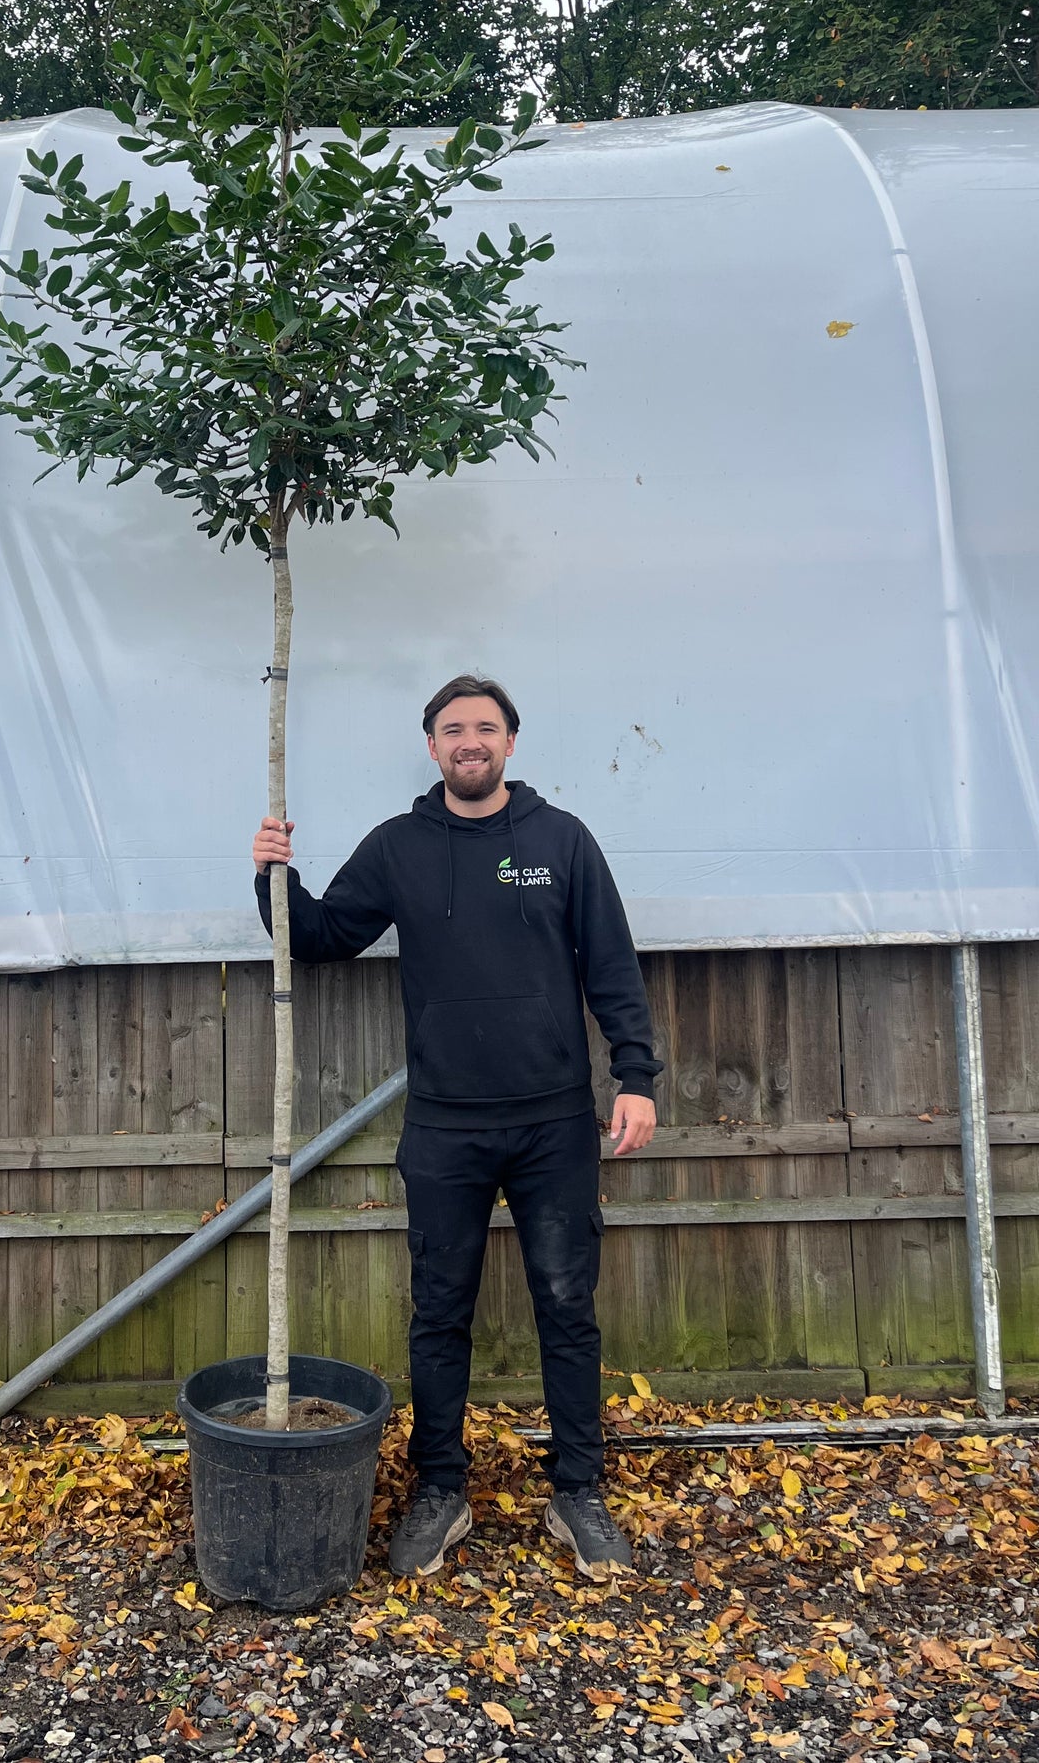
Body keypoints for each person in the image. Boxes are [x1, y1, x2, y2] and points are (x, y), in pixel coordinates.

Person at [253, 672, 660, 1580]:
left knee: (567, 1307)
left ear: (511, 742)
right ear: (432, 746)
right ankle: (440, 1488)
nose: (468, 740)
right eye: (451, 728)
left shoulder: (562, 841)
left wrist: (635, 1074)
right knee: (438, 1313)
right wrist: (273, 872)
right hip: (444, 1127)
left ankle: (579, 1492)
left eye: (485, 727)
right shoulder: (400, 846)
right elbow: (318, 937)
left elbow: (613, 965)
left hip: (556, 1121)